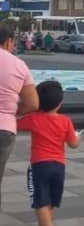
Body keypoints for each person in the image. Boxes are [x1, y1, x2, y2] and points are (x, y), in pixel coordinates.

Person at [17, 81, 80, 226]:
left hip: (39, 165)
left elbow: (15, 124)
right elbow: (73, 144)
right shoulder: (66, 121)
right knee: (51, 201)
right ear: (60, 103)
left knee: (40, 201)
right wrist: (77, 137)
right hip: (59, 166)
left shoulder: (34, 119)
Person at [0, 24, 39, 207]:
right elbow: (32, 103)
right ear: (9, 41)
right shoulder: (18, 65)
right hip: (4, 129)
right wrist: (10, 111)